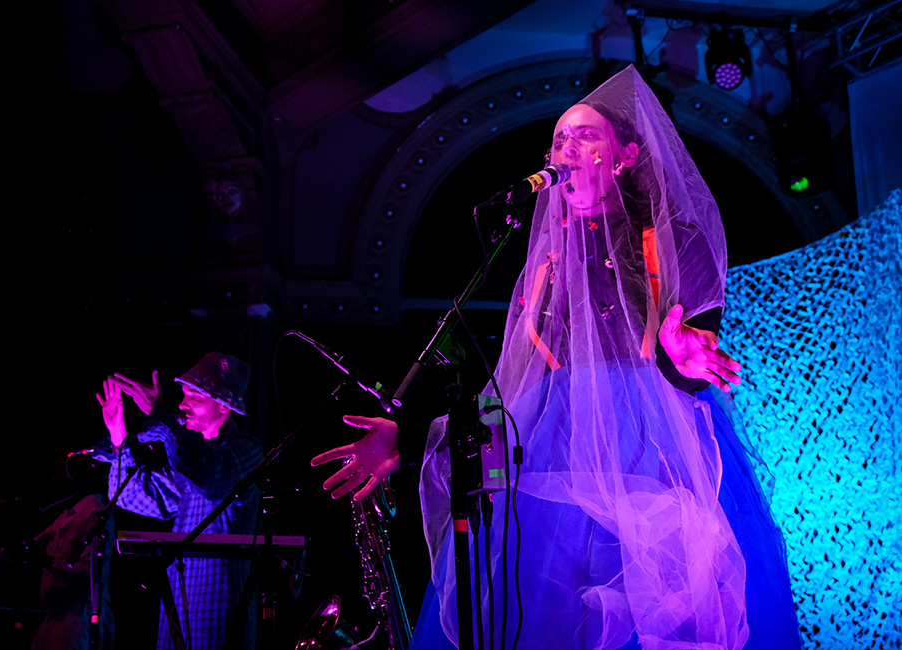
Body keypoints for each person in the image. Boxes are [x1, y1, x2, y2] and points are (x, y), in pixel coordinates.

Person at [313, 66, 800, 649]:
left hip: (651, 454)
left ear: (624, 156)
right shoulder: (542, 270)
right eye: (558, 139)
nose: (565, 148)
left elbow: (686, 361)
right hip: (558, 456)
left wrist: (678, 362)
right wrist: (410, 440)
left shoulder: (674, 243)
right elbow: (510, 407)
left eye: (585, 136)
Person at [93, 351, 265, 650]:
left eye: (194, 398)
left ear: (223, 407)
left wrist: (161, 417)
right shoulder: (193, 454)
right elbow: (134, 497)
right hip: (180, 600)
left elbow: (205, 472)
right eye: (183, 396)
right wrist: (119, 436)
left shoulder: (245, 451)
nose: (182, 406)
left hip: (220, 604)